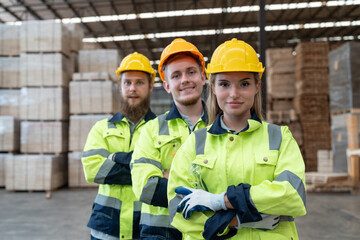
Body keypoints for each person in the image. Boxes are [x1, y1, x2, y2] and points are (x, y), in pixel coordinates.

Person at [167, 38, 307, 240]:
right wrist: (240, 221)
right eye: (224, 84)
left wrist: (221, 201)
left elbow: (292, 195)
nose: (234, 94)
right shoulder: (196, 143)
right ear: (213, 87)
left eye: (244, 84)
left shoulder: (279, 137)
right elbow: (178, 209)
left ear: (257, 86)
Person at [130, 38, 208, 239]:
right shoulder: (151, 130)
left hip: (211, 232)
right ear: (166, 85)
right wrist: (208, 191)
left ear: (203, 76)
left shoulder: (223, 126)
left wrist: (168, 176)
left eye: (191, 72)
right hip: (160, 233)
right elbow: (146, 188)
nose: (185, 80)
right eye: (176, 75)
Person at [82, 52, 156, 240]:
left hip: (147, 228)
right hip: (106, 228)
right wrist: (144, 172)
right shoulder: (101, 128)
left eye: (139, 82)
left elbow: (167, 174)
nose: (132, 88)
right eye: (127, 82)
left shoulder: (161, 129)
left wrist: (114, 161)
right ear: (120, 87)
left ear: (150, 87)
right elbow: (92, 169)